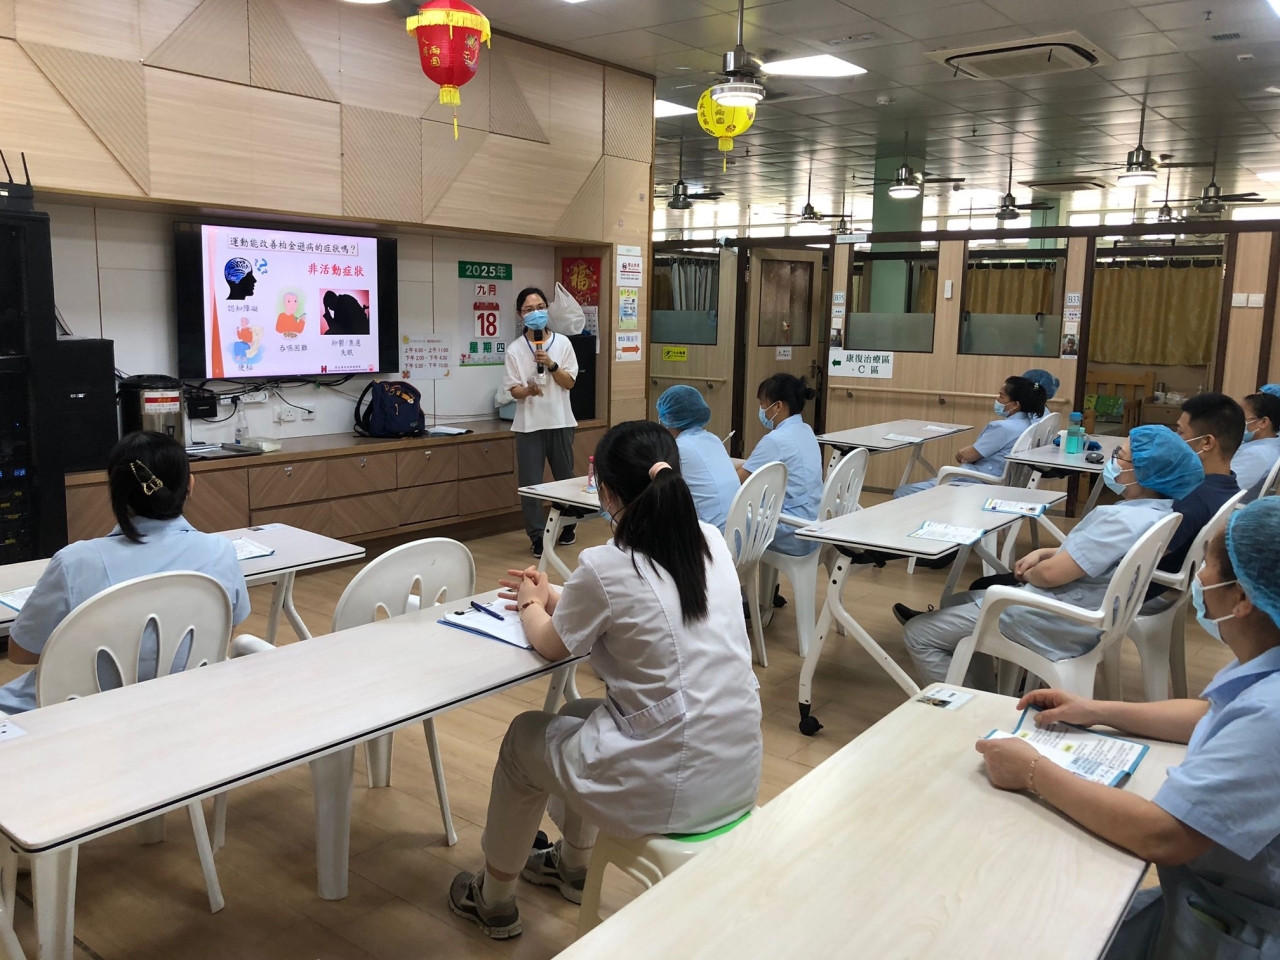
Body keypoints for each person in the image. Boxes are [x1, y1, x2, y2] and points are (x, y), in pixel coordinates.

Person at [447, 421, 763, 940]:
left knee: (524, 737)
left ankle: (494, 899)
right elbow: (629, 604)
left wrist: (529, 603)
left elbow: (551, 643)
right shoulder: (708, 542)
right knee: (578, 714)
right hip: (735, 769)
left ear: (607, 493)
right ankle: (572, 868)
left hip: (669, 788)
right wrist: (555, 597)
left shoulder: (606, 565)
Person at [975, 496, 1280, 960]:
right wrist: (1096, 710)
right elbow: (1215, 714)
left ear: (1242, 598)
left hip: (1243, 924)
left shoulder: (1271, 713)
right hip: (1211, 892)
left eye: (1209, 567)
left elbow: (1163, 835)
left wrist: (1032, 771)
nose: (1198, 578)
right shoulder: (1265, 666)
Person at [900, 425, 1203, 686]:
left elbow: (1049, 576)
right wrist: (1048, 552)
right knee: (956, 602)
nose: (1113, 461)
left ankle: (962, 717)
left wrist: (1028, 573)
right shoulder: (1158, 514)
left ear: (1144, 472)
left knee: (919, 633)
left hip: (1052, 620)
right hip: (1085, 614)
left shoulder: (1119, 519)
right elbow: (1098, 554)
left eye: (1120, 456)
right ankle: (982, 694)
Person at [0, 432, 251, 715]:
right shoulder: (220, 551)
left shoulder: (75, 562)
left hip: (81, 714)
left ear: (115, 492)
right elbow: (225, 631)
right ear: (190, 486)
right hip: (186, 706)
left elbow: (22, 652)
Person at [503, 286, 580, 558]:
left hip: (560, 420)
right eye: (529, 309)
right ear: (520, 314)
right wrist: (529, 391)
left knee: (565, 479)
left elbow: (569, 383)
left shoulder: (563, 343)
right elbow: (514, 390)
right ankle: (537, 536)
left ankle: (569, 525)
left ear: (547, 309)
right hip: (529, 425)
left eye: (539, 308)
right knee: (531, 484)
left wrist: (551, 364)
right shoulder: (515, 349)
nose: (535, 313)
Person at [894, 374, 1047, 498]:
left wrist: (964, 452)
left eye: (1001, 396)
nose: (997, 400)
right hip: (1006, 485)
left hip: (979, 483)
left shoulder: (1003, 427)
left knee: (902, 492)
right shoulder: (1032, 426)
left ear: (1015, 404)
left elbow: (969, 455)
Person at [738, 374, 823, 559]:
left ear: (778, 406)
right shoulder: (805, 430)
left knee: (725, 519)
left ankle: (734, 576)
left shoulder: (776, 440)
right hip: (815, 524)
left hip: (793, 531)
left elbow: (738, 481)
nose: (762, 410)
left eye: (763, 404)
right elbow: (754, 465)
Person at [656, 385, 738, 531]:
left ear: (667, 417)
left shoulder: (678, 448)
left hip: (709, 535)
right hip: (737, 532)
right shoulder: (712, 439)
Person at [1230, 386, 1280, 501]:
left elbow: (1224, 486)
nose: (1235, 422)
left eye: (1242, 418)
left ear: (1263, 422)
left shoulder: (1256, 454)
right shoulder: (1273, 444)